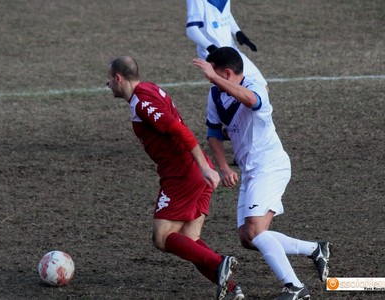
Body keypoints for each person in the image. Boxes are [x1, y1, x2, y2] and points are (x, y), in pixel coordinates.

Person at [193, 47, 331, 300]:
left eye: (212, 74)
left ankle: (295, 287)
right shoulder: (215, 94)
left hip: (270, 166)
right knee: (247, 237)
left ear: (225, 72)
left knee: (256, 231)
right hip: (250, 170)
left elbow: (251, 101)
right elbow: (213, 133)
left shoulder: (255, 87)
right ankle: (315, 249)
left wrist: (214, 77)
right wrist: (223, 167)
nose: (208, 79)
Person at [105, 56, 245, 300]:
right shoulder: (148, 87)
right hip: (195, 168)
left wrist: (203, 167)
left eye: (109, 79)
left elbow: (178, 129)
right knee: (189, 241)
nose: (107, 84)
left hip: (184, 173)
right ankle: (233, 290)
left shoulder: (141, 103)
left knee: (161, 237)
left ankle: (219, 262)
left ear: (118, 78)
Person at [186, 0, 268, 89]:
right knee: (235, 91)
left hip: (231, 50)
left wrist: (238, 32)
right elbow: (191, 29)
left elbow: (226, 14)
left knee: (262, 86)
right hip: (214, 55)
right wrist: (211, 47)